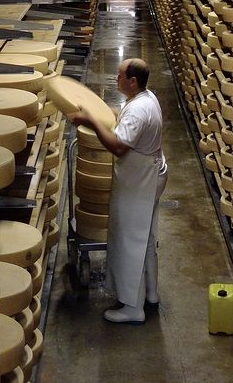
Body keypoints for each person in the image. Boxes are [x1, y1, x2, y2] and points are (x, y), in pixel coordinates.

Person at [70, 58, 168, 324]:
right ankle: (151, 294)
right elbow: (124, 117)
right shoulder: (146, 98)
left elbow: (118, 146)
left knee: (129, 241)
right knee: (145, 239)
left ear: (132, 81)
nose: (116, 78)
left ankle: (132, 307)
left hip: (140, 181)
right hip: (150, 174)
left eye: (120, 75)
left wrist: (91, 122)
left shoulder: (138, 110)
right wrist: (99, 112)